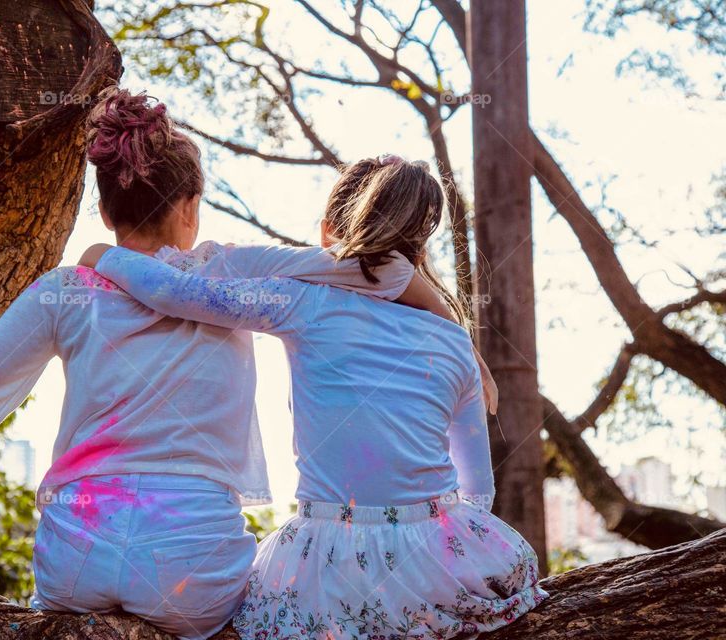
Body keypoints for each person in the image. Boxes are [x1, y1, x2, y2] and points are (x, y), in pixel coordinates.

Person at [0, 87, 418, 640]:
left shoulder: (66, 291)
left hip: (76, 556)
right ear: (191, 205)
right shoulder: (235, 271)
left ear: (104, 213)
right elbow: (384, 272)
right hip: (192, 564)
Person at [81, 156, 548, 639]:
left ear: (327, 234)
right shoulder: (454, 345)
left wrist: (103, 254)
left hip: (327, 563)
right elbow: (478, 493)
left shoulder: (299, 301)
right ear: (421, 243)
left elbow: (176, 293)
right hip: (432, 559)